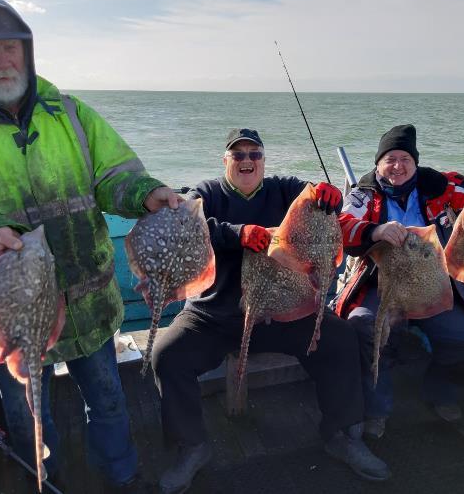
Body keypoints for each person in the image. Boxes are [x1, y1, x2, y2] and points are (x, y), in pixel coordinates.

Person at [0, 0, 180, 493]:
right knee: (28, 413)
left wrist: (147, 195)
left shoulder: (73, 114)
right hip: (11, 310)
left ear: (28, 52)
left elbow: (116, 177)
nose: (1, 61)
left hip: (89, 299)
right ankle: (45, 482)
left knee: (107, 400)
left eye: (9, 47)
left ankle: (121, 477)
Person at [151, 128, 391, 494]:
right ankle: (192, 446)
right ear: (226, 160)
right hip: (216, 313)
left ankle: (341, 434)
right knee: (168, 356)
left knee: (340, 338)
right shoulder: (208, 193)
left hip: (284, 309)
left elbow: (318, 197)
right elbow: (187, 224)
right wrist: (238, 233)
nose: (247, 161)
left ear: (263, 159)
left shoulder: (283, 188)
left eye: (254, 154)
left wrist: (330, 194)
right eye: (238, 154)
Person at [335, 124, 464, 439]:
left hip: (436, 283)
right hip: (381, 282)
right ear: (378, 163)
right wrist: (375, 231)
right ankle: (376, 408)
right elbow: (343, 224)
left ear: (416, 162)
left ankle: (441, 392)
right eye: (389, 159)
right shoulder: (363, 193)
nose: (397, 166)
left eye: (405, 158)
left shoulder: (442, 185)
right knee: (364, 326)